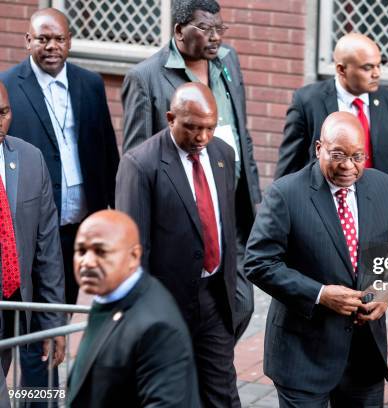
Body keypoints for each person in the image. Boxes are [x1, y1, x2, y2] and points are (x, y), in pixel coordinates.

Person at [245, 111, 388, 407]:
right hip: (302, 355)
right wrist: (320, 294)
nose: (348, 166)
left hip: (364, 356)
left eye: (358, 157)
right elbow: (258, 262)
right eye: (338, 155)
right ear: (319, 148)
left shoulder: (384, 188)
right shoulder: (286, 194)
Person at [121, 0, 261, 340]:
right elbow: (135, 159)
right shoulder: (145, 78)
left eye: (219, 29)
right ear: (179, 31)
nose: (216, 38)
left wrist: (254, 195)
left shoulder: (228, 61)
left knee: (241, 303)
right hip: (183, 212)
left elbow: (241, 132)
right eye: (206, 29)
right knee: (188, 312)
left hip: (229, 203)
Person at [116, 82, 240, 407]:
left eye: (209, 128)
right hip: (166, 303)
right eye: (192, 127)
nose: (202, 137)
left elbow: (228, 223)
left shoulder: (223, 155)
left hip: (214, 298)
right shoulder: (140, 165)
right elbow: (132, 253)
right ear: (170, 118)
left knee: (222, 395)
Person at [0, 8, 120, 306]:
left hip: (80, 225)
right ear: (28, 41)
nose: (51, 46)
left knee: (63, 304)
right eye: (43, 39)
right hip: (30, 229)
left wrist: (114, 215)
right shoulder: (8, 86)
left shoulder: (90, 83)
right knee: (29, 312)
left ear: (70, 41)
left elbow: (107, 152)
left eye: (59, 39)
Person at [67, 210, 200, 408]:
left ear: (134, 256)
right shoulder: (109, 292)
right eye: (81, 251)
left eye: (101, 252)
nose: (87, 262)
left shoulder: (157, 328)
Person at [275, 33, 388, 199]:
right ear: (341, 69)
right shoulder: (308, 101)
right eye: (367, 68)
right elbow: (289, 165)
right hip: (321, 205)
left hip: (375, 204)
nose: (376, 74)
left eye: (379, 65)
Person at [0, 81, 65, 395]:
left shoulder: (29, 160)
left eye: (4, 113)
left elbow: (47, 250)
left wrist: (54, 323)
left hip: (12, 308)